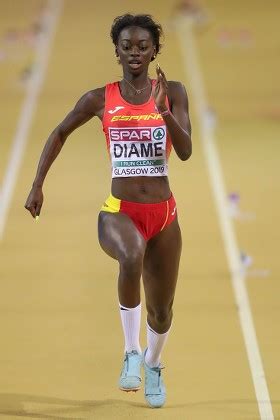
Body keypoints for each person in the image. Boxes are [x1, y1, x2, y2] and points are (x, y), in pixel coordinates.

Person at [25, 13, 192, 408]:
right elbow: (60, 131)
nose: (134, 53)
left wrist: (163, 111)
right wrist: (37, 184)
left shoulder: (174, 91)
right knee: (130, 254)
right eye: (127, 46)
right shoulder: (100, 98)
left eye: (143, 47)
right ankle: (131, 352)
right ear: (116, 51)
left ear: (154, 51)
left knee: (163, 312)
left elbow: (185, 152)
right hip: (118, 211)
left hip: (163, 216)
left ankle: (153, 362)